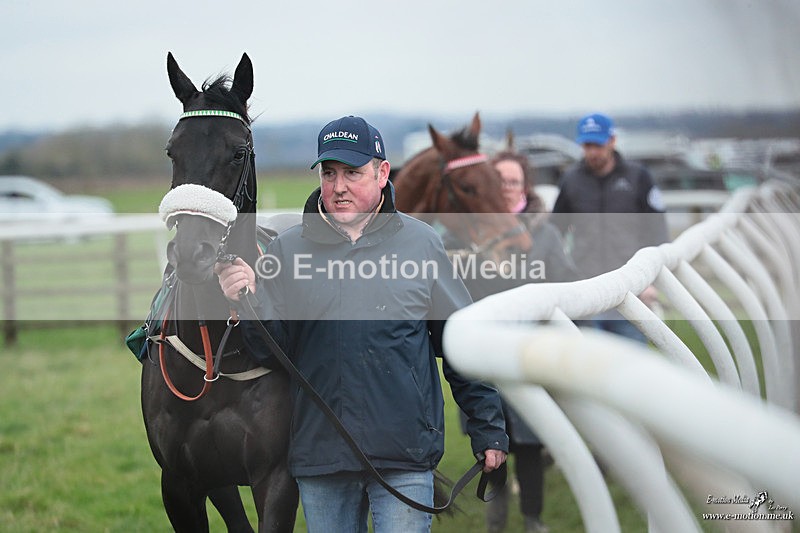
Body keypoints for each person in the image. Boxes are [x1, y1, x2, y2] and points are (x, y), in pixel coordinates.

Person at [215, 115, 508, 533]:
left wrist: (488, 427)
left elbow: (459, 342)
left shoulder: (422, 243)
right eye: (329, 173)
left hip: (404, 454)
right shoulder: (287, 249)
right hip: (321, 459)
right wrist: (245, 302)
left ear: (382, 171)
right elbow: (273, 350)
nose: (338, 186)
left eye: (353, 173)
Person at [451, 151, 577, 533]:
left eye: (512, 181)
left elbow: (568, 286)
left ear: (524, 185)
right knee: (493, 446)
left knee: (528, 446)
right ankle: (496, 523)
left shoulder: (545, 233)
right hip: (487, 358)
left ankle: (534, 521)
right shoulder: (470, 230)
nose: (505, 188)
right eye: (498, 181)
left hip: (530, 355)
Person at [551, 113, 669, 343]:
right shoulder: (570, 180)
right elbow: (555, 231)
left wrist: (651, 281)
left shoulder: (639, 177)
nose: (592, 152)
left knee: (632, 369)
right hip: (585, 292)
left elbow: (657, 231)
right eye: (587, 145)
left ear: (612, 141)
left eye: (598, 144)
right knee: (586, 370)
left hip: (631, 293)